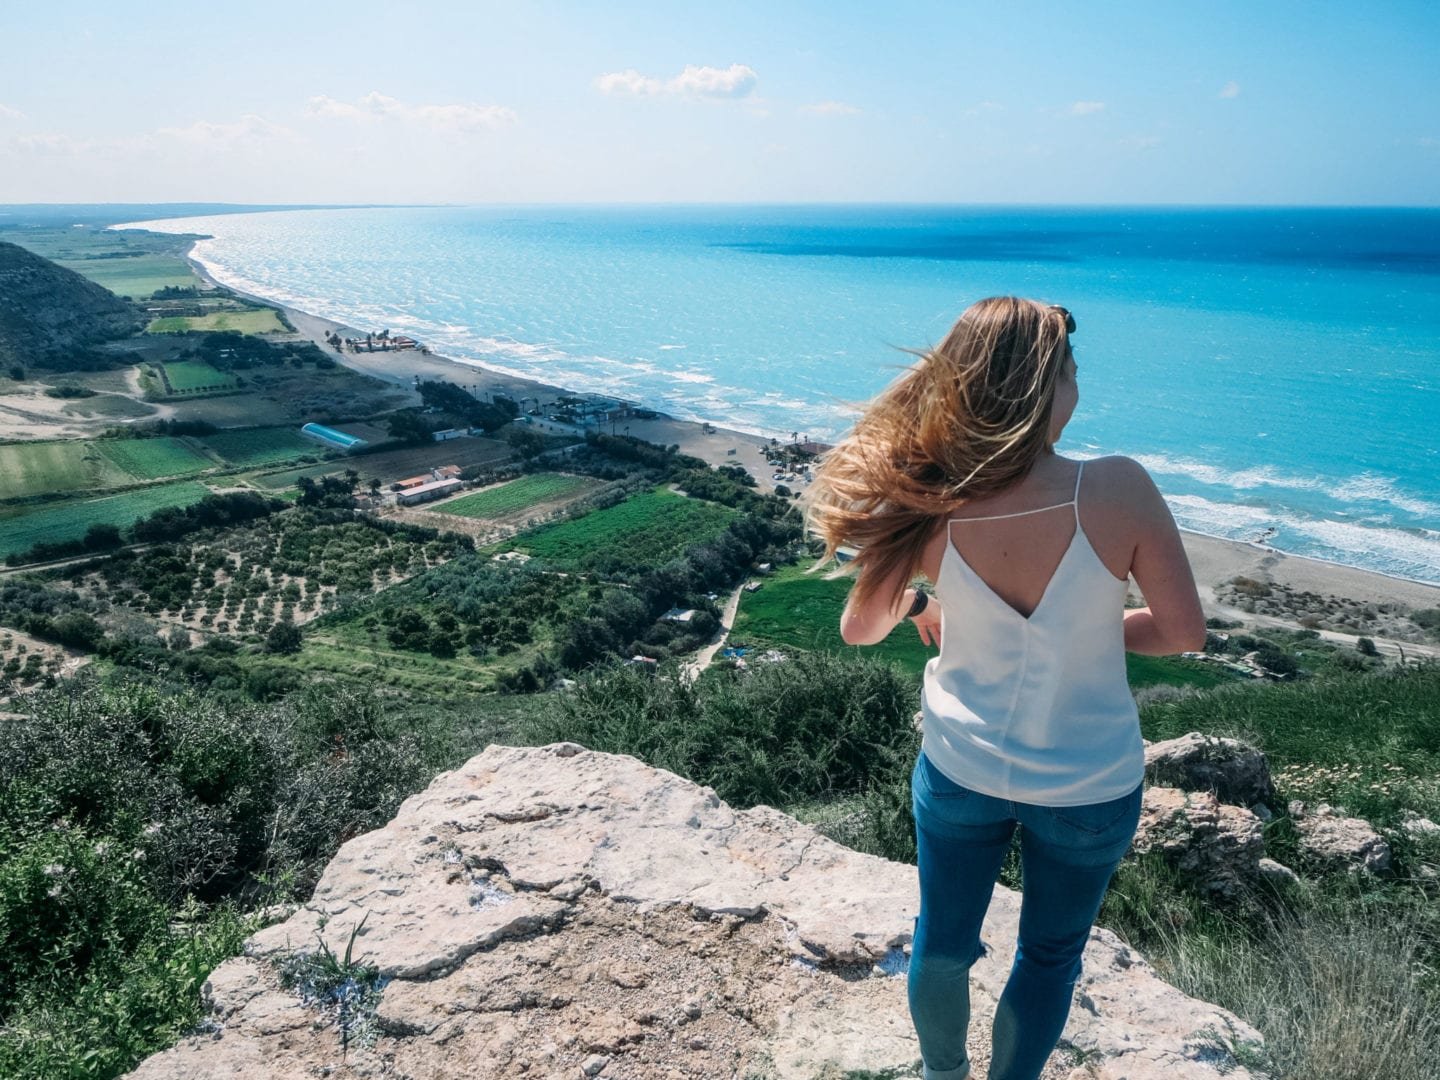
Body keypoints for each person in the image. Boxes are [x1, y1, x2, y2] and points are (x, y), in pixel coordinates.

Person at [806, 297, 1204, 1080]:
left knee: (944, 942)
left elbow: (860, 629)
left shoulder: (927, 497)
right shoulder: (1117, 487)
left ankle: (941, 1075)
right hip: (1090, 781)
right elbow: (1184, 633)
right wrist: (1080, 638)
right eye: (1070, 373)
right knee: (1050, 956)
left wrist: (925, 602)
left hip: (962, 767)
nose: (1077, 391)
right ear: (1038, 388)